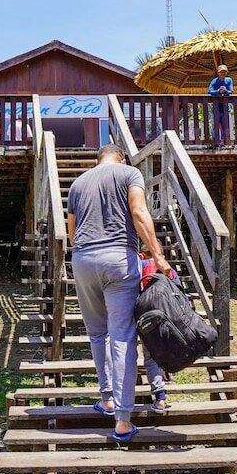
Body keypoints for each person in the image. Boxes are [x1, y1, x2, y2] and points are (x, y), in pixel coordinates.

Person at [67, 144, 173, 441]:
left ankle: (107, 399)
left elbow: (72, 233)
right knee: (122, 337)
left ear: (97, 159)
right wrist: (157, 255)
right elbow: (138, 212)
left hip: (83, 259)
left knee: (97, 333)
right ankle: (123, 420)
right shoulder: (129, 174)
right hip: (118, 259)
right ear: (122, 158)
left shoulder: (77, 184)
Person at [138, 246, 175, 412]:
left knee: (150, 357)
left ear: (141, 255)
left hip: (146, 317)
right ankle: (166, 372)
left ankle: (160, 397)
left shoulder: (140, 266)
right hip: (168, 317)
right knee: (166, 349)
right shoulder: (168, 268)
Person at [207, 64, 233, 147]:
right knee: (215, 126)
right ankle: (215, 143)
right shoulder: (214, 81)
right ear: (218, 73)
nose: (223, 73)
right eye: (221, 72)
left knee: (226, 126)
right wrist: (218, 91)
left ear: (227, 72)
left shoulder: (229, 80)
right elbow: (209, 91)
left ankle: (225, 143)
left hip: (226, 107)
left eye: (224, 72)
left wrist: (225, 91)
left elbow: (231, 91)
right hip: (216, 108)